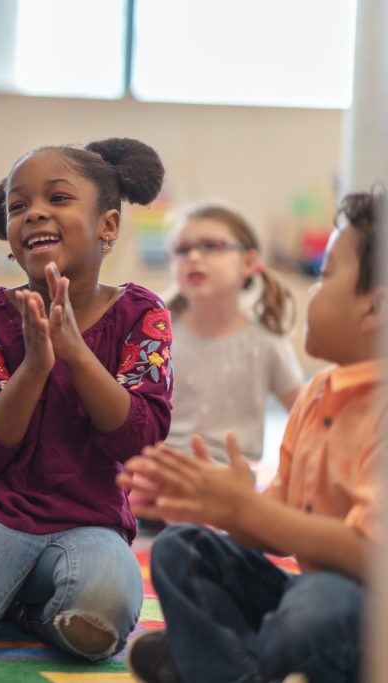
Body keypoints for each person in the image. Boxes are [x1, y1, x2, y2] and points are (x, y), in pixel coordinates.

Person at [0, 137, 174, 662]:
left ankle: (22, 609)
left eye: (58, 198)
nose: (35, 214)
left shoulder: (143, 314)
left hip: (90, 521)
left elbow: (138, 438)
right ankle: (5, 592)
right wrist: (33, 366)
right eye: (18, 205)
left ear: (108, 226)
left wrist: (75, 351)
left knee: (99, 621)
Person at [120, 188, 385, 683]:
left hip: (369, 619)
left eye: (325, 276)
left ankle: (213, 660)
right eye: (184, 248)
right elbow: (273, 522)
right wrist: (230, 509)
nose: (310, 289)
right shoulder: (318, 396)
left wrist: (245, 508)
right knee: (183, 549)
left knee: (315, 603)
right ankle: (237, 664)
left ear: (375, 308)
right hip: (308, 594)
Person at [164, 203, 303, 463]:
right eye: (182, 250)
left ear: (249, 262)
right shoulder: (157, 335)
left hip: (233, 481)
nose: (193, 257)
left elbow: (308, 417)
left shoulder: (266, 342)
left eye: (211, 246)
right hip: (164, 471)